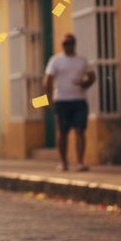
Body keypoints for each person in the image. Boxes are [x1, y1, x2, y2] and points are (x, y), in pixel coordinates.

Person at [42, 33, 96, 171]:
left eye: (70, 44)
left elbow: (91, 75)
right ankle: (63, 162)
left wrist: (86, 83)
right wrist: (48, 98)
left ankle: (80, 162)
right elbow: (48, 79)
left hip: (79, 99)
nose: (68, 46)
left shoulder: (82, 60)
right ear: (62, 46)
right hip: (62, 100)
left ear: (74, 45)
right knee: (63, 131)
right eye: (65, 44)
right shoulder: (56, 60)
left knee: (80, 130)